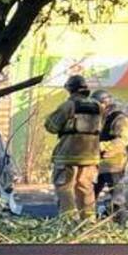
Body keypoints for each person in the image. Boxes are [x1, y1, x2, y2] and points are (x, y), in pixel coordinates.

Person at [43, 75, 103, 218]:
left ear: (70, 90)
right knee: (86, 188)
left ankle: (68, 221)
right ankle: (88, 222)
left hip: (68, 155)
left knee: (65, 188)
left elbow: (51, 126)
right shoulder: (98, 106)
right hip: (91, 156)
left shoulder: (68, 106)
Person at [94, 92, 128, 220]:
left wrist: (101, 146)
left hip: (114, 165)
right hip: (99, 164)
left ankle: (119, 225)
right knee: (89, 195)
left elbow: (123, 140)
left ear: (105, 103)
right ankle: (90, 221)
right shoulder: (101, 118)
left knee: (117, 198)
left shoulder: (120, 119)